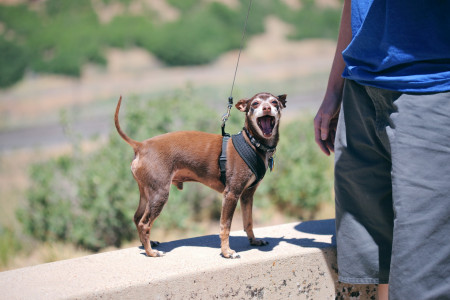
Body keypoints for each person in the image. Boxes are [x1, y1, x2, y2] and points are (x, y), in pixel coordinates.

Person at [314, 0, 450, 299]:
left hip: (434, 89)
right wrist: (334, 89)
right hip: (360, 87)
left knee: (423, 275)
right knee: (377, 265)